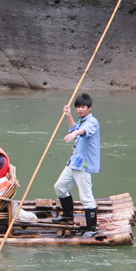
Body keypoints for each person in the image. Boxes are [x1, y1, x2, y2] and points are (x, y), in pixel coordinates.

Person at [52, 93, 100, 236]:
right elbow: (75, 128)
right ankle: (68, 214)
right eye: (78, 107)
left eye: (83, 107)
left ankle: (91, 229)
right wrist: (68, 116)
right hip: (74, 162)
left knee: (86, 197)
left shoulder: (92, 121)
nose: (80, 109)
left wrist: (75, 134)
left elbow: (83, 131)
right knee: (59, 187)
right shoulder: (81, 120)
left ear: (89, 108)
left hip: (83, 165)